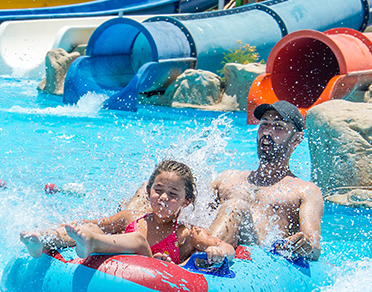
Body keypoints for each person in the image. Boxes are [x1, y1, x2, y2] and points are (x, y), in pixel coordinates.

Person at [20, 160, 235, 266]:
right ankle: (43, 240)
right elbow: (95, 223)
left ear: (186, 202)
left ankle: (91, 243)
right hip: (112, 270)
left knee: (139, 242)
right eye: (158, 190)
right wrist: (74, 227)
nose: (162, 197)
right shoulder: (132, 217)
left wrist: (220, 252)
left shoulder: (187, 234)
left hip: (154, 287)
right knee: (91, 228)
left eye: (172, 194)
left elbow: (225, 246)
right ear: (149, 190)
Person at [208, 101, 324, 261]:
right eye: (264, 124)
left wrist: (304, 245)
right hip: (219, 251)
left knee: (235, 206)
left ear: (297, 140)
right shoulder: (226, 179)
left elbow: (314, 247)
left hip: (260, 260)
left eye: (278, 127)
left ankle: (202, 259)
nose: (267, 132)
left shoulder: (305, 191)